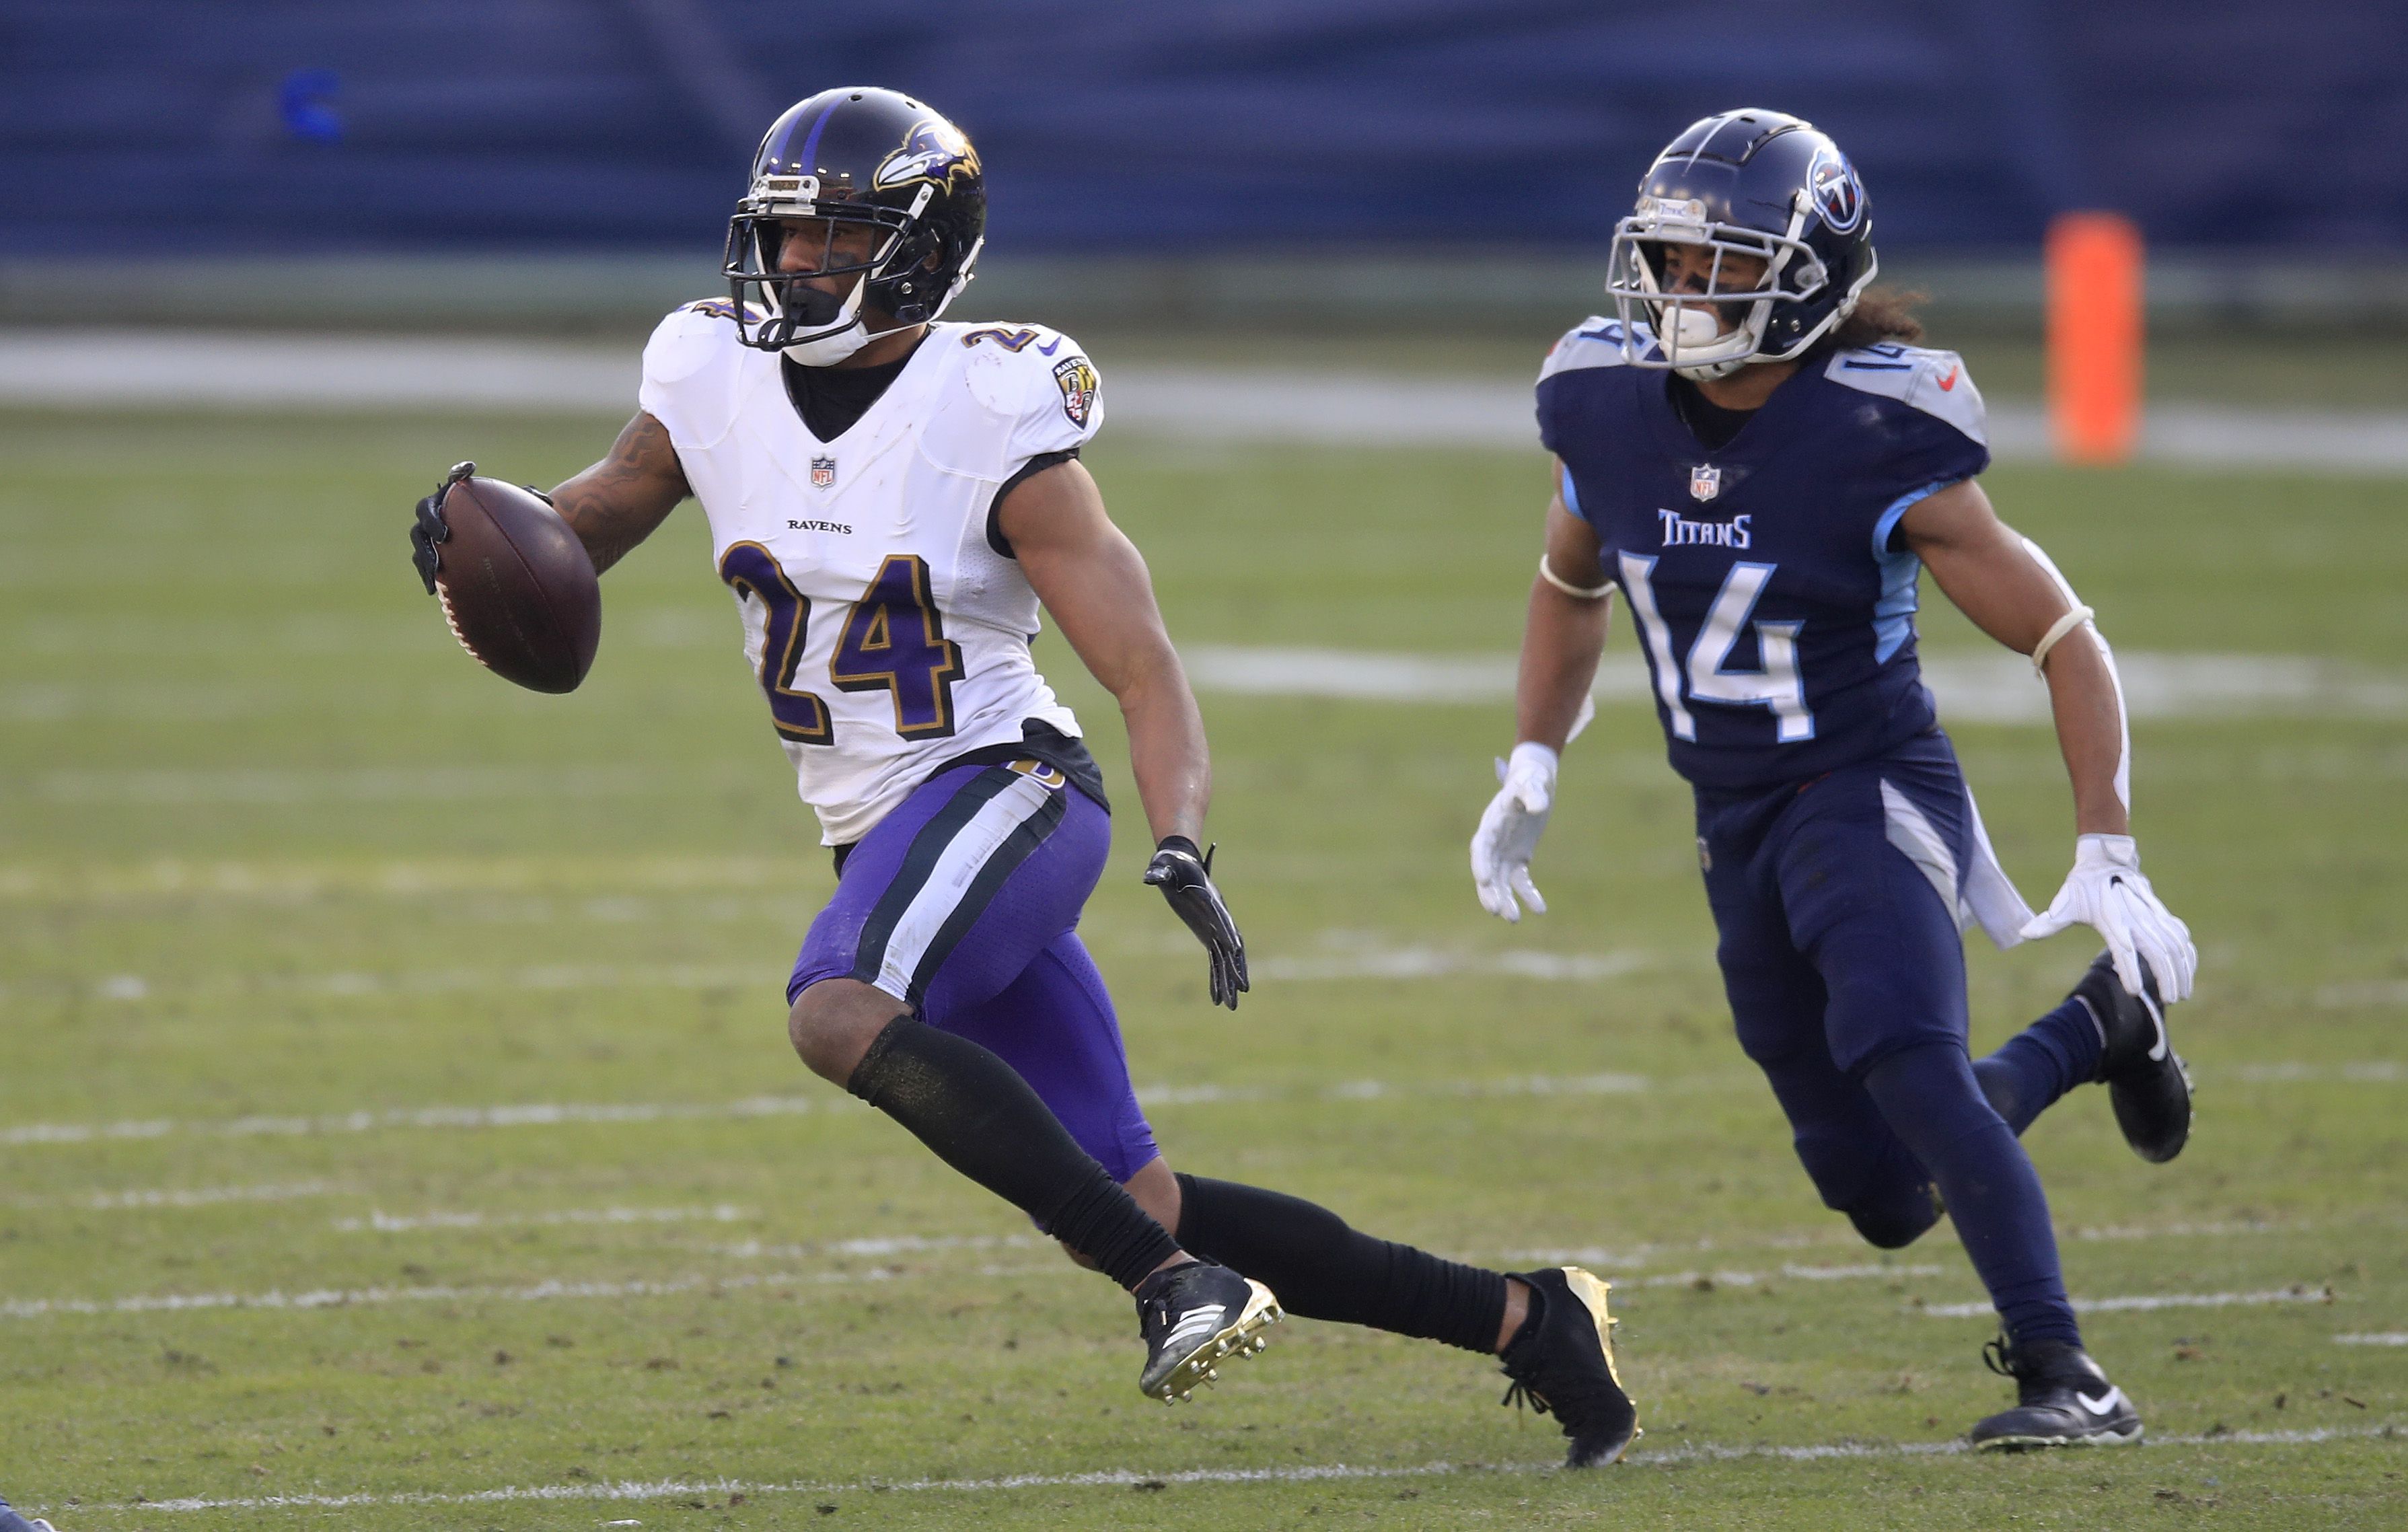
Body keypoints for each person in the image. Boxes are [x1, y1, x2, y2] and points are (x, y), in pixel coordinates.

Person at [409, 87, 1636, 1464]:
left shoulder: (988, 411)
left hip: (1008, 789)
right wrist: (482, 534)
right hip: (878, 827)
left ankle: (1172, 1291)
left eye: (838, 237)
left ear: (923, 250)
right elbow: (595, 517)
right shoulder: (706, 369)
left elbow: (1144, 663)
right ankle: (1530, 1320)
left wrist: (1180, 834)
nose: (799, 263)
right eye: (787, 234)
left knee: (836, 1009)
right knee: (1141, 1193)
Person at [1469, 109, 2199, 1451]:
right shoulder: (1601, 403)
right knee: (1877, 1191)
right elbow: (1568, 583)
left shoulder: (1876, 429)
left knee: (1907, 1065)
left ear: (1806, 274)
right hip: (1730, 815)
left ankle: (2068, 1374)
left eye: (1720, 264)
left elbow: (2059, 635)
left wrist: (2106, 841)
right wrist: (1533, 748)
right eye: (1672, 263)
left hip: (1863, 788)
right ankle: (2099, 1025)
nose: (1685, 292)